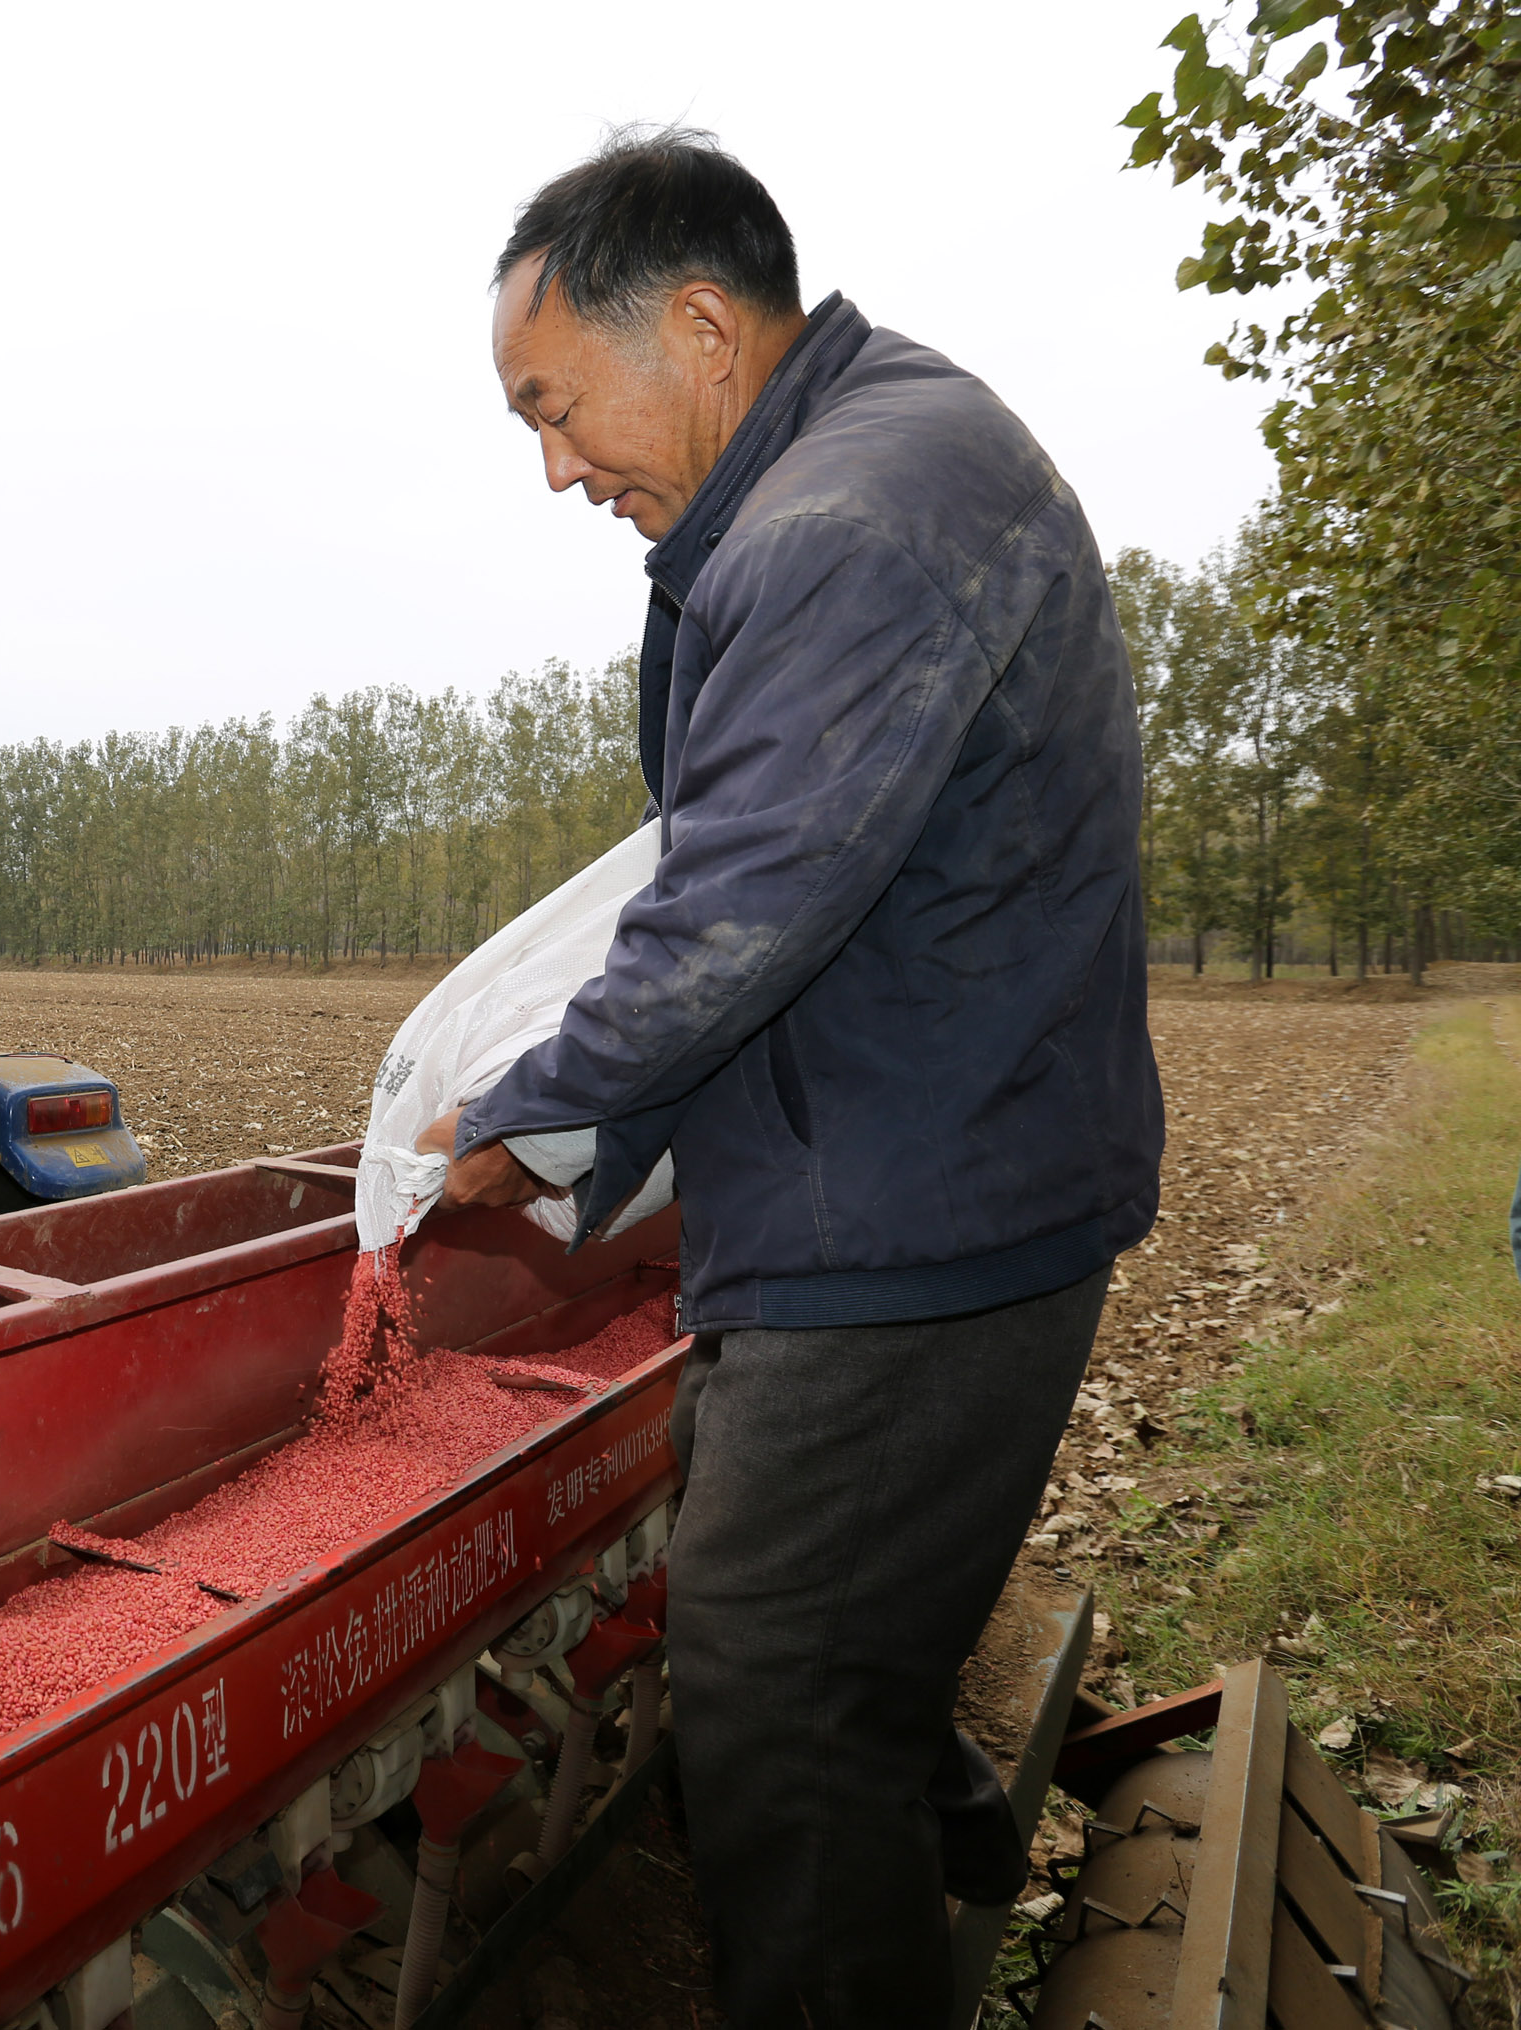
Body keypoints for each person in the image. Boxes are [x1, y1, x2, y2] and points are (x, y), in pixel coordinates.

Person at [427, 130, 1164, 2026]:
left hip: (915, 1224)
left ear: (698, 327)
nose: (554, 467)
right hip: (938, 1164)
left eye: (554, 407)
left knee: (776, 1691)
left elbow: (739, 904)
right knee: (839, 1627)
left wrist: (526, 1119)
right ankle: (955, 1850)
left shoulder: (846, 518)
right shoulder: (877, 455)